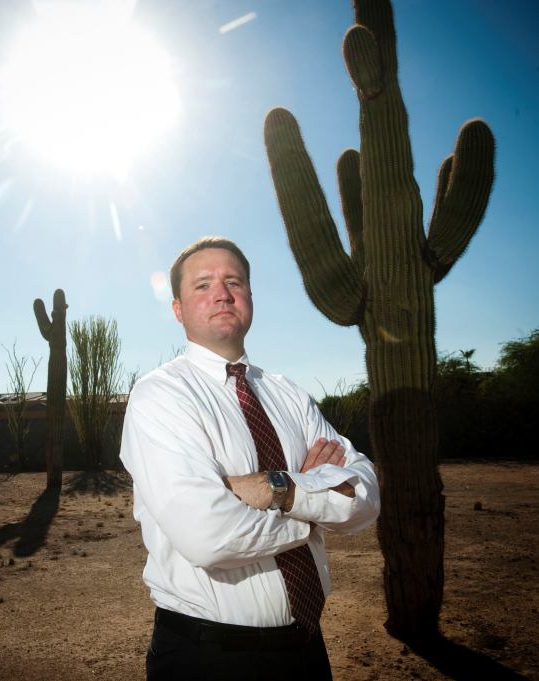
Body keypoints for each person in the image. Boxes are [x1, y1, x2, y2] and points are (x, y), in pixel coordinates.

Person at [119, 236, 380, 680]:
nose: (222, 293)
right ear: (178, 309)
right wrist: (312, 515)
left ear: (250, 297)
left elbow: (365, 494)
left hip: (307, 650)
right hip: (208, 658)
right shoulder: (160, 396)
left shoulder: (288, 394)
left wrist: (278, 488)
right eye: (203, 285)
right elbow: (208, 536)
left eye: (234, 282)